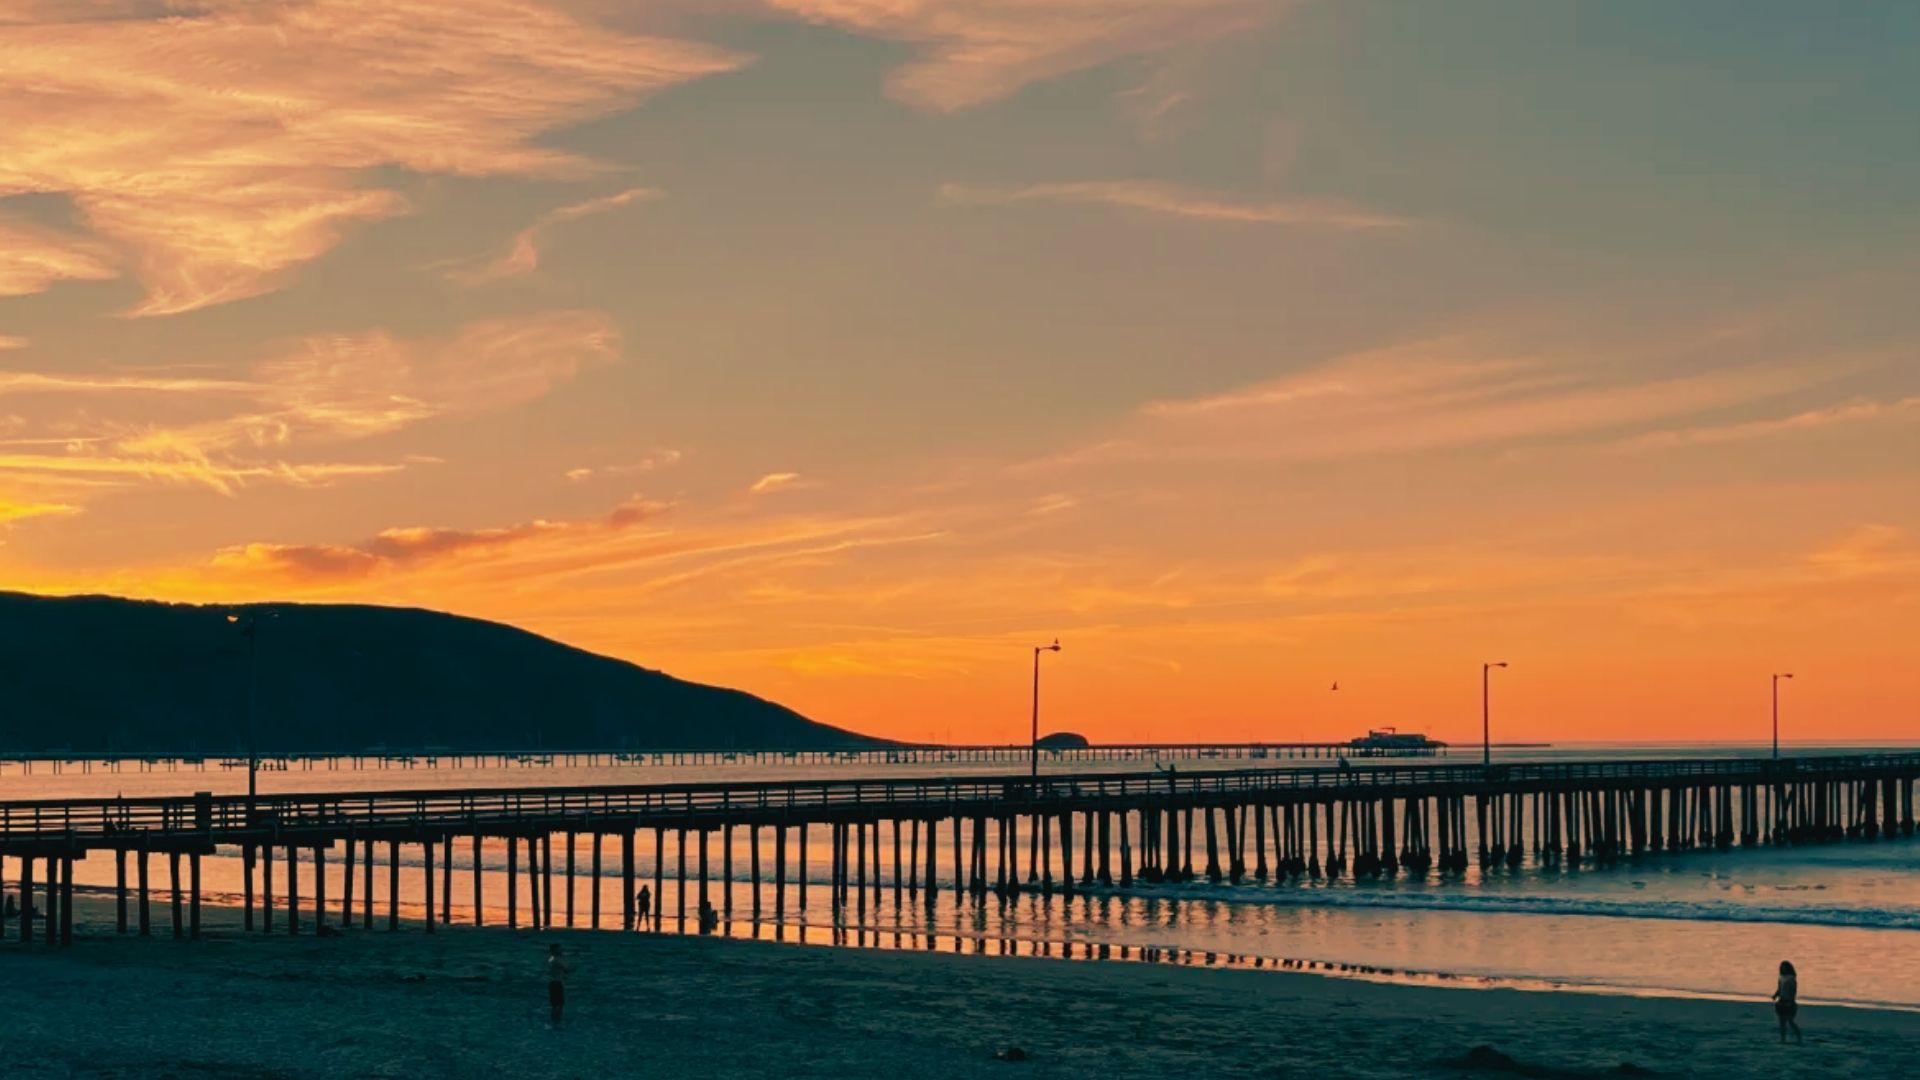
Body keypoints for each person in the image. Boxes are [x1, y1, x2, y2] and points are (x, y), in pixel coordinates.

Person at [1772, 960, 1801, 1044]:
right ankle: (1783, 1039)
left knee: (1790, 1021)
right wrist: (1775, 995)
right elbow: (1779, 988)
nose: (1782, 969)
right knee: (1782, 1022)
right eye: (1781, 967)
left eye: (1784, 967)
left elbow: (1793, 991)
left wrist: (1791, 1001)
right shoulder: (1781, 977)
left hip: (1789, 1001)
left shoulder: (1792, 978)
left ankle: (1799, 1037)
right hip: (1781, 1001)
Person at [546, 944, 570, 1026]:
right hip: (557, 983)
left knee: (554, 1004)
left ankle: (554, 1021)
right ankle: (557, 1021)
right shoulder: (557, 960)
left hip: (552, 982)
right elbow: (567, 969)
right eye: (559, 949)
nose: (561, 951)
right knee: (559, 1004)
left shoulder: (551, 959)